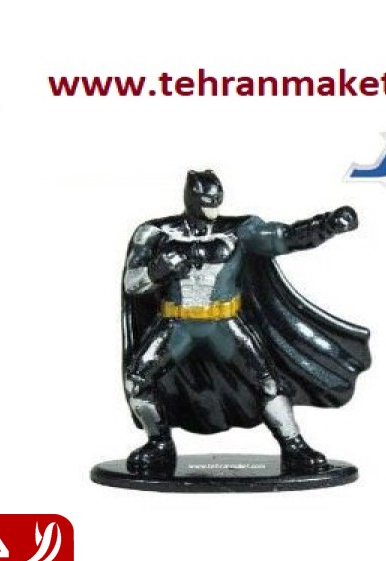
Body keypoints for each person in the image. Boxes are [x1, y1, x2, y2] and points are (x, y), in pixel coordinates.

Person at [122, 170, 371, 473]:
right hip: (177, 324)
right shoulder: (154, 233)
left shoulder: (238, 231)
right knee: (138, 380)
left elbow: (284, 237)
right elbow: (132, 283)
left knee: (267, 382)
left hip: (223, 324)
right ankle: (159, 443)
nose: (211, 206)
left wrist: (326, 225)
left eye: (215, 199)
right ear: (191, 198)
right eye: (205, 200)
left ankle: (294, 445)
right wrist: (159, 269)